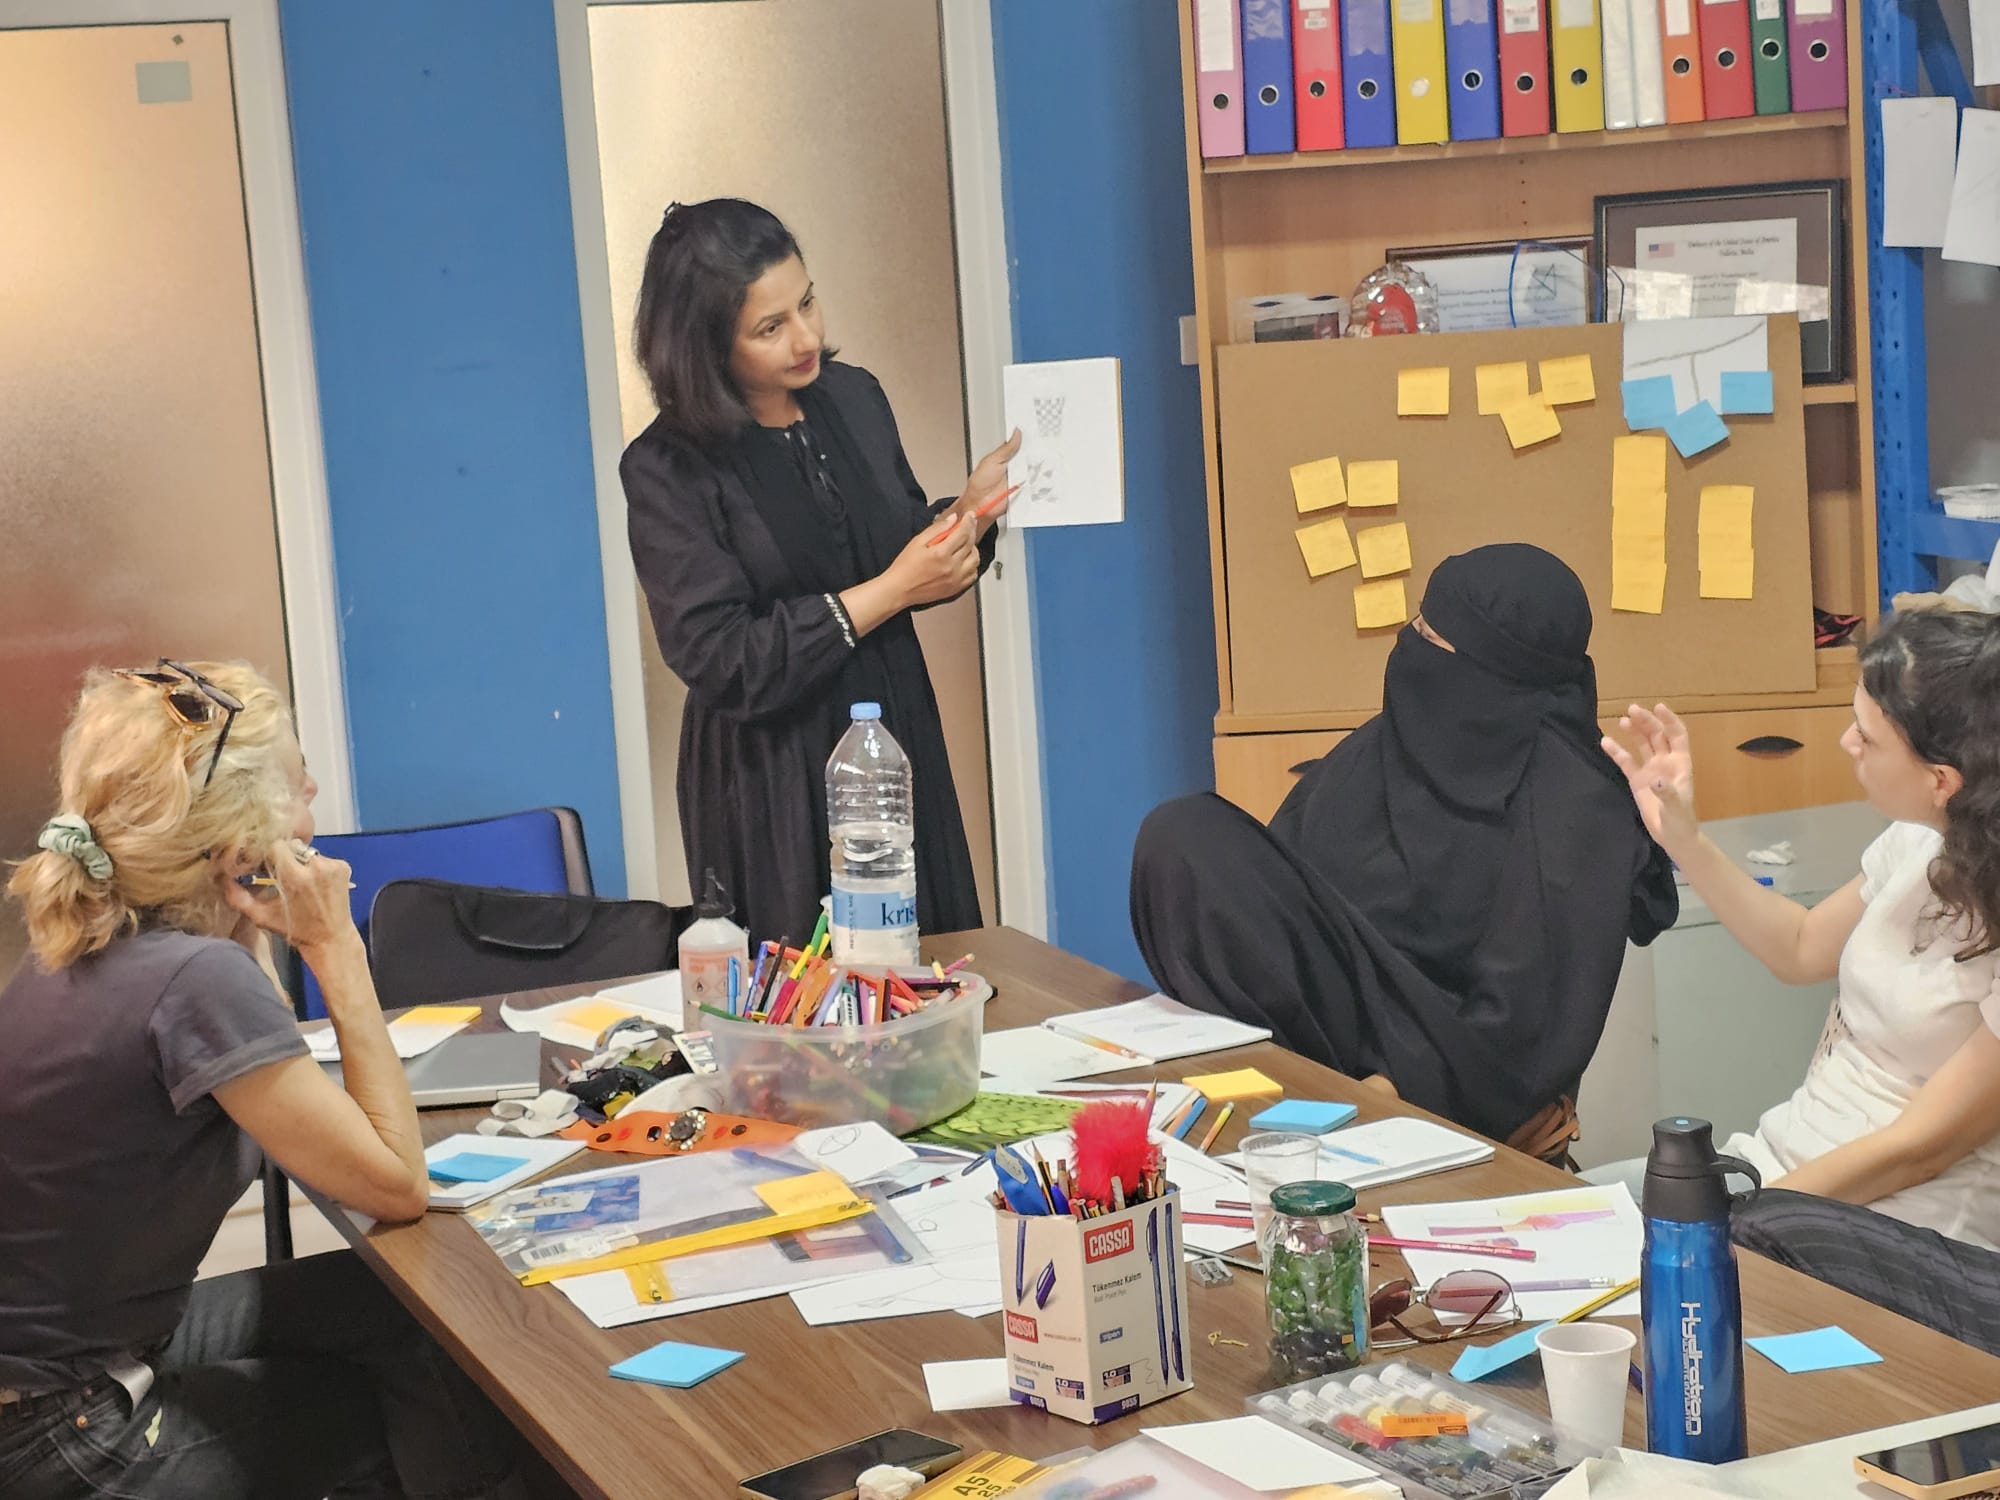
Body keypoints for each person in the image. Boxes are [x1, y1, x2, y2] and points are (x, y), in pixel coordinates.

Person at [0, 661, 533, 1499]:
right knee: (431, 1400)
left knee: (401, 1310)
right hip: (59, 1433)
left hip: (63, 1366)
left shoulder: (80, 948)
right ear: (238, 838)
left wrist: (247, 922)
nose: (313, 789)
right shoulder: (193, 982)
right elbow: (397, 1186)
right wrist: (334, 947)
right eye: (294, 779)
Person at [1130, 544, 1678, 1154]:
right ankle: (1272, 1088)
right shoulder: (1385, 750)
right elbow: (1285, 894)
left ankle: (1303, 1107)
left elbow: (1520, 1033)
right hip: (1332, 1050)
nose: (1409, 643)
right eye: (1418, 623)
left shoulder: (1574, 806)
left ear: (1493, 669)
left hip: (1453, 1076)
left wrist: (1377, 1098)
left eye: (1432, 636)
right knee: (1187, 836)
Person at [621, 197, 1018, 943]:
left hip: (892, 733)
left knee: (923, 964)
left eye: (806, 303)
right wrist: (891, 591)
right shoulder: (667, 467)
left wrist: (966, 517)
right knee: (807, 989)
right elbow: (723, 657)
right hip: (770, 772)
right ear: (706, 346)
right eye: (770, 328)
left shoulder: (854, 397)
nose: (806, 338)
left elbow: (891, 549)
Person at [1599, 607, 2000, 1247]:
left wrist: (1731, 1221)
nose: (1846, 743)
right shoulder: (1923, 841)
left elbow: (1919, 1150)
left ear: (1941, 780)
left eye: (1867, 737)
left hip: (1899, 1224)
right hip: (1783, 1172)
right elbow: (1800, 946)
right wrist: (1685, 840)